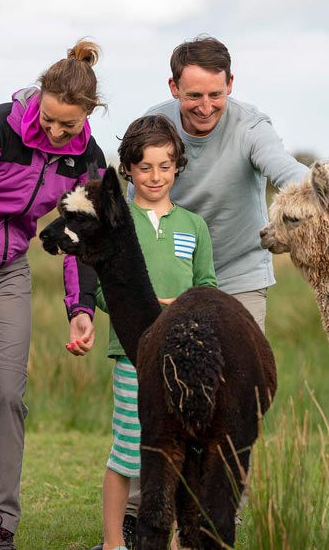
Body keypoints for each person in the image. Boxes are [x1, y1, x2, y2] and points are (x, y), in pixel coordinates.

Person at [0, 39, 108, 550]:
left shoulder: (88, 160)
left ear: (87, 115)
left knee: (7, 396)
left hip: (10, 272)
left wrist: (81, 309)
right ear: (40, 97)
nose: (53, 131)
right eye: (47, 118)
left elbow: (79, 234)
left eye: (66, 125)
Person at [125, 34, 310, 530]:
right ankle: (145, 514)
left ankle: (218, 516)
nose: (205, 106)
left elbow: (283, 168)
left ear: (231, 85)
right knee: (159, 395)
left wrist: (318, 189)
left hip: (238, 274)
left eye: (215, 94)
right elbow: (130, 201)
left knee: (238, 398)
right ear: (173, 87)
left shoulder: (251, 125)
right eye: (193, 95)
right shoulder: (156, 124)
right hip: (173, 275)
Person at [93, 115, 217, 550]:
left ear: (177, 167)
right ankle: (112, 543)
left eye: (165, 166)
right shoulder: (117, 223)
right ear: (128, 169)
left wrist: (182, 308)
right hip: (133, 356)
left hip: (183, 361)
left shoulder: (193, 226)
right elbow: (105, 290)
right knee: (128, 451)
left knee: (185, 451)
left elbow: (207, 288)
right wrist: (143, 309)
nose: (155, 176)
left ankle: (183, 539)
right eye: (145, 167)